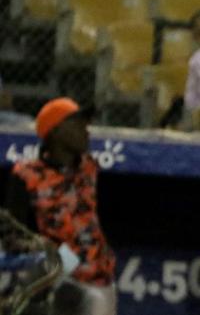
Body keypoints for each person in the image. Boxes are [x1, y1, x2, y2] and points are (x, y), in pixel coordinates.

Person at [3, 97, 117, 315]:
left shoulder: (89, 168)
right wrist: (50, 253)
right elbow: (13, 234)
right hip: (54, 273)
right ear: (54, 131)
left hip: (97, 276)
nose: (86, 131)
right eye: (76, 124)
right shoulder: (28, 175)